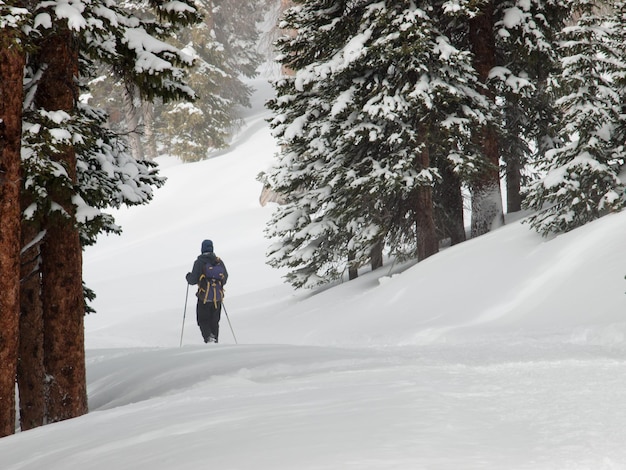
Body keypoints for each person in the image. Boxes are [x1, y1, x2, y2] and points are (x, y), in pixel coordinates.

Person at [186, 239, 228, 343]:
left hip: (204, 297)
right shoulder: (219, 262)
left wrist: (188, 277)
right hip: (217, 298)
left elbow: (193, 280)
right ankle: (215, 340)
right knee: (214, 321)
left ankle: (209, 338)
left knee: (202, 320)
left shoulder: (199, 262)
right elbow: (225, 278)